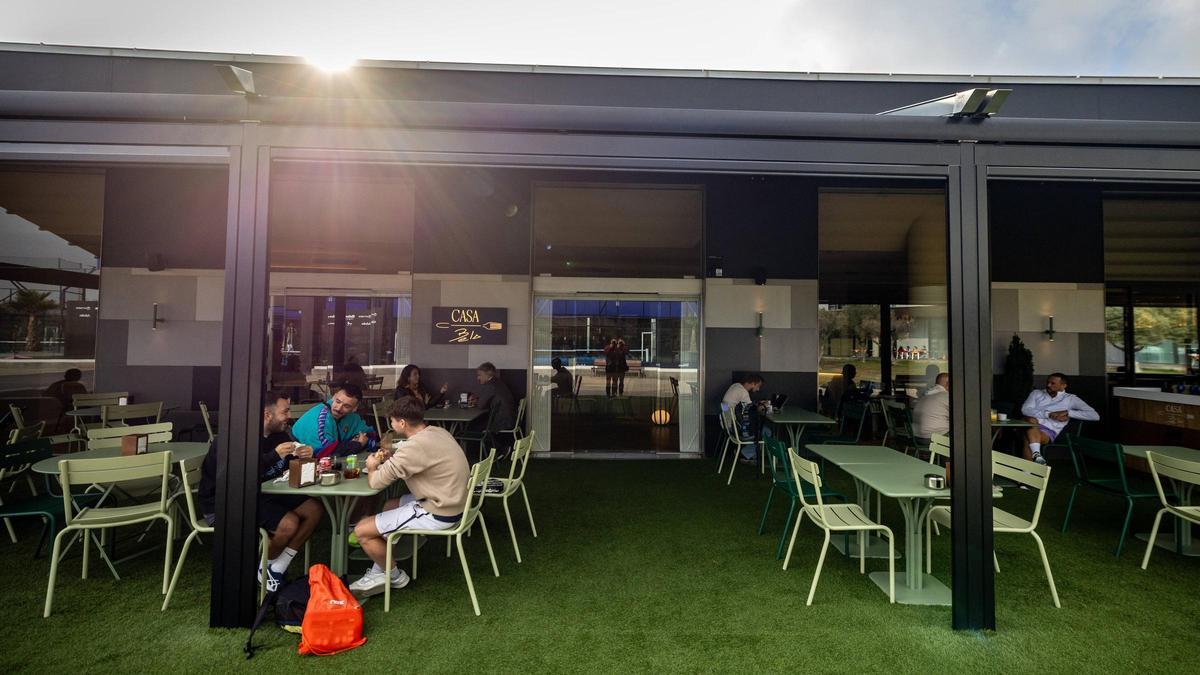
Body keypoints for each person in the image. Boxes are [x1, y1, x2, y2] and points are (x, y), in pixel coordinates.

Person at [198, 391, 324, 591]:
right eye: (285, 411)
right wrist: (274, 455)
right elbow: (238, 476)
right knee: (289, 523)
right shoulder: (236, 438)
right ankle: (262, 569)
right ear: (267, 414)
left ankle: (276, 567)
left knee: (314, 509)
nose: (289, 415)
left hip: (261, 493)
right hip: (226, 501)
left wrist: (303, 456)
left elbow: (284, 466)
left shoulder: (279, 434)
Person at [348, 397, 469, 597]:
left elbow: (376, 482)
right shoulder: (437, 431)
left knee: (361, 530)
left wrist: (371, 466)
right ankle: (381, 566)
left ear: (402, 423)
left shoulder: (413, 448)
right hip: (454, 500)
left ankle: (394, 575)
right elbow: (415, 454)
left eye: (392, 422)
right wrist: (393, 455)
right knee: (390, 504)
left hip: (439, 511)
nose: (391, 426)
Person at [1020, 373, 1100, 465]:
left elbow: (1094, 415)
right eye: (1048, 382)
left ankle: (1030, 465)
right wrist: (1048, 414)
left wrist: (1068, 412)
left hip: (1047, 431)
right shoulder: (1036, 393)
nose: (1048, 385)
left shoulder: (1071, 399)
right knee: (1031, 421)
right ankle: (1034, 459)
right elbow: (1025, 410)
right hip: (1028, 424)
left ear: (1063, 385)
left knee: (1028, 438)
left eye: (1052, 383)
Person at [290, 383, 377, 459]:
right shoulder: (321, 418)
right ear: (334, 397)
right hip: (298, 464)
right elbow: (325, 452)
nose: (338, 408)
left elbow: (371, 435)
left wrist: (360, 440)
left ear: (354, 408)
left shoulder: (351, 417)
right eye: (338, 401)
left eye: (346, 406)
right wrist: (357, 444)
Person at [469, 362, 517, 449]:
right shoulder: (496, 382)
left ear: (488, 374)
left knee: (473, 427)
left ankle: (500, 449)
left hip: (503, 421)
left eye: (480, 375)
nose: (478, 378)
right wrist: (478, 400)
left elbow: (481, 405)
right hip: (510, 417)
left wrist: (475, 401)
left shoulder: (490, 386)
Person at [722, 374, 766, 463]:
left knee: (761, 429)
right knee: (766, 431)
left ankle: (750, 456)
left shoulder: (736, 385)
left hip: (726, 424)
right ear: (753, 383)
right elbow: (752, 410)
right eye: (758, 386)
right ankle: (744, 455)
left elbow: (746, 405)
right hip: (735, 429)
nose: (758, 389)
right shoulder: (744, 393)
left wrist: (757, 404)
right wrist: (762, 406)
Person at [913, 373, 950, 441]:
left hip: (916, 437)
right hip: (933, 437)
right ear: (948, 385)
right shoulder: (946, 396)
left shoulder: (926, 395)